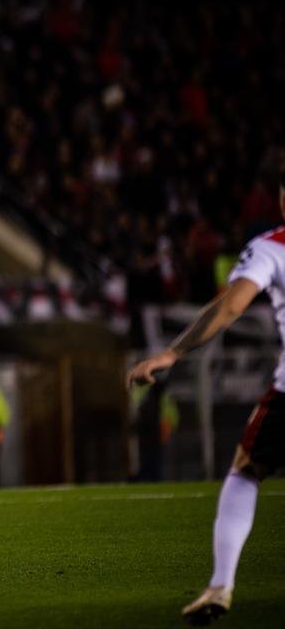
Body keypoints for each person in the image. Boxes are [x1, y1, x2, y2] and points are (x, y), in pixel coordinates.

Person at [127, 172, 285, 625]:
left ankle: (221, 584)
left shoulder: (272, 246)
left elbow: (230, 307)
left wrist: (172, 353)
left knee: (246, 469)